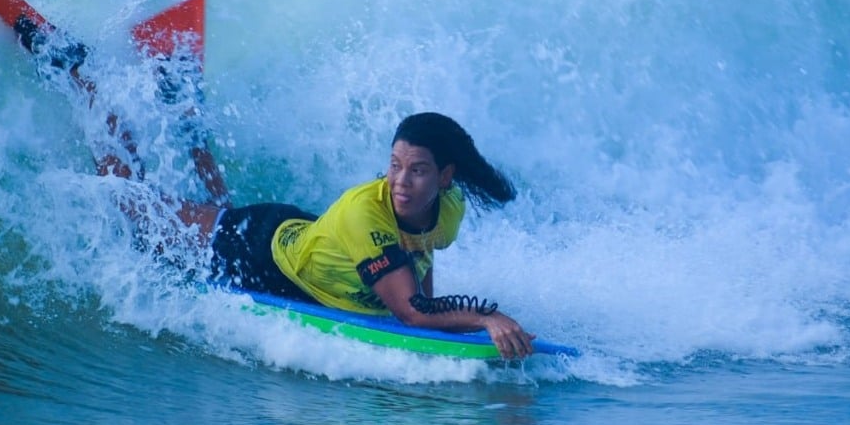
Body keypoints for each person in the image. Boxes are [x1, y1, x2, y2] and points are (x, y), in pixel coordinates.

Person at [106, 110, 538, 359]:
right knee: (136, 208)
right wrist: (483, 318)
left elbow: (421, 254)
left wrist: (432, 323)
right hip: (253, 251)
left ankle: (183, 111)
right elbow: (411, 313)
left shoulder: (451, 208)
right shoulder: (366, 215)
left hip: (309, 239)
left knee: (208, 208)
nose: (401, 181)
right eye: (394, 165)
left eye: (418, 170)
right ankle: (84, 83)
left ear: (446, 176)